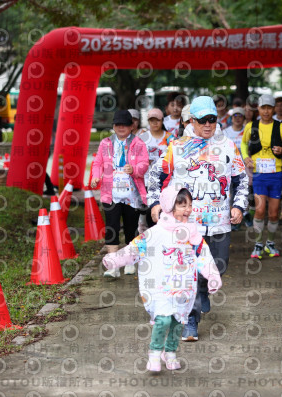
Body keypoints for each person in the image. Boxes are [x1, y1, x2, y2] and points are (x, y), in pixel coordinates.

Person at [146, 96, 248, 341]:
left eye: (212, 119)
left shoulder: (227, 145)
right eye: (203, 120)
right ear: (192, 120)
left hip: (219, 222)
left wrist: (238, 206)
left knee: (218, 267)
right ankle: (190, 321)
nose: (208, 124)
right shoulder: (178, 146)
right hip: (187, 224)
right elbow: (155, 177)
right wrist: (155, 203)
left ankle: (202, 290)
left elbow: (241, 179)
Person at [102, 186, 222, 372]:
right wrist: (114, 259)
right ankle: (155, 353)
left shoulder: (192, 234)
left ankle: (170, 353)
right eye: (182, 205)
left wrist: (212, 275)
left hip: (184, 286)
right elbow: (135, 249)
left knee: (178, 321)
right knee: (163, 320)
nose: (188, 210)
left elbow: (203, 255)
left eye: (190, 205)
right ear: (169, 206)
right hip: (161, 287)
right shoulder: (155, 233)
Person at [90, 110, 149, 278]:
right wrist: (95, 176)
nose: (121, 128)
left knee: (131, 228)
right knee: (112, 227)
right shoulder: (106, 143)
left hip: (132, 194)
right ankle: (113, 265)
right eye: (118, 125)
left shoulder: (138, 143)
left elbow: (145, 163)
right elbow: (97, 163)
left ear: (131, 126)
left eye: (125, 125)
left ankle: (130, 261)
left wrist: (134, 169)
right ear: (114, 126)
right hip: (111, 193)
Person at [241, 94, 282, 258]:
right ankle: (258, 244)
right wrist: (246, 157)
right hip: (259, 174)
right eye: (263, 108)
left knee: (273, 213)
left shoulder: (281, 127)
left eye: (269, 108)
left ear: (274, 109)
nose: (266, 111)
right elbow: (244, 143)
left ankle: (270, 243)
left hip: (275, 173)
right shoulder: (251, 126)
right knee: (259, 209)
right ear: (258, 108)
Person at [138, 108, 173, 229]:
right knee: (148, 209)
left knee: (163, 208)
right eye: (152, 120)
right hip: (146, 179)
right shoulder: (142, 137)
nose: (154, 123)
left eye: (157, 120)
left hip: (164, 180)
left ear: (162, 120)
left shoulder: (170, 138)